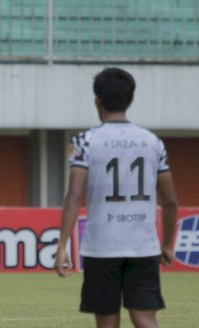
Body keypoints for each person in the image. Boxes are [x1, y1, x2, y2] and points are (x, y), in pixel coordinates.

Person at [54, 68, 178, 328]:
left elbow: (74, 196)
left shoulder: (85, 141)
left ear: (97, 99)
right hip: (143, 246)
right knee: (145, 318)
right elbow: (169, 201)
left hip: (102, 248)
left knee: (107, 323)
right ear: (131, 98)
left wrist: (63, 245)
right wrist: (167, 244)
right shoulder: (153, 142)